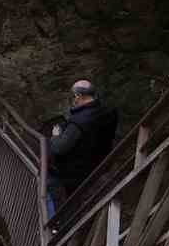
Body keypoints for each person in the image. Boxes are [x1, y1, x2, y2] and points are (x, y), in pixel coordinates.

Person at [46, 79, 119, 219]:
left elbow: (58, 148)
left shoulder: (78, 122)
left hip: (76, 173)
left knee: (50, 184)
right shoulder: (108, 112)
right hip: (99, 164)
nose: (73, 99)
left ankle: (56, 225)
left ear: (78, 96)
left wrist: (55, 136)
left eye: (73, 96)